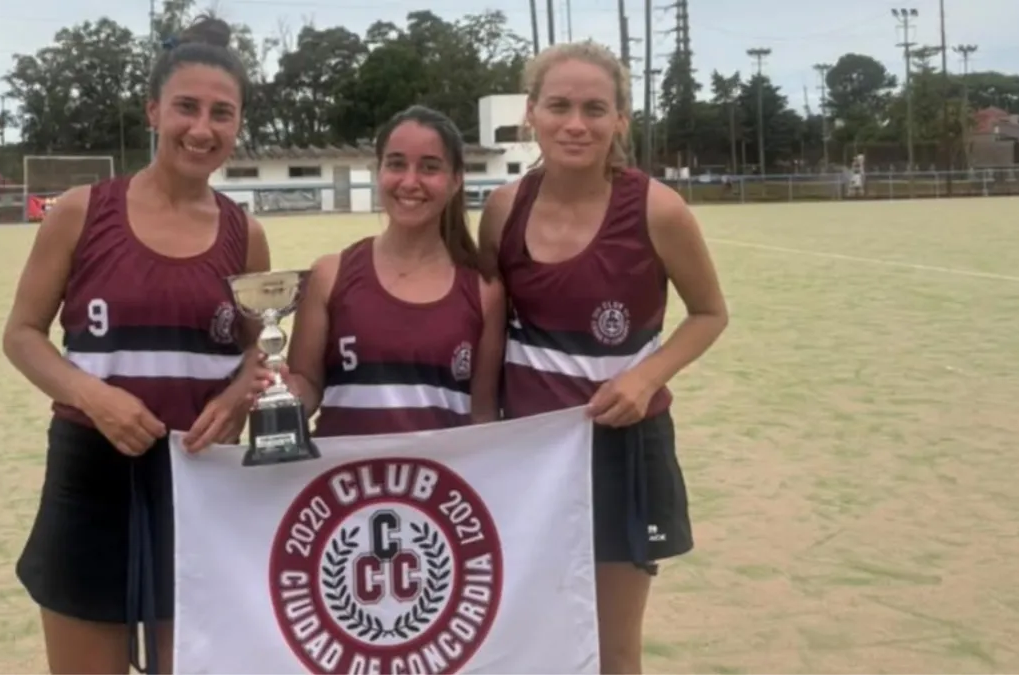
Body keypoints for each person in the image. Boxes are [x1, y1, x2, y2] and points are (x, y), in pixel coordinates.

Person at [0, 15, 271, 675]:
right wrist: (93, 396)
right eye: (186, 107)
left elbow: (259, 355)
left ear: (237, 125)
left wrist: (240, 395)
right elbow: (22, 335)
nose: (202, 128)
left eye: (222, 114)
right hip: (89, 481)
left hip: (200, 483)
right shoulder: (80, 212)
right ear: (153, 110)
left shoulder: (246, 235)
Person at [477, 41, 729, 674]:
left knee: (614, 650)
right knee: (527, 633)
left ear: (621, 119)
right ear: (531, 113)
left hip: (624, 450)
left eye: (595, 108)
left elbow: (710, 313)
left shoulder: (656, 209)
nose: (575, 123)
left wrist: (646, 376)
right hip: (529, 454)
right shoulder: (504, 210)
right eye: (558, 105)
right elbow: (485, 324)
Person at [284, 105, 506, 436]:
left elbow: (482, 416)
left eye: (429, 168)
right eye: (396, 164)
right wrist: (279, 391)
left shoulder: (484, 292)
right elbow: (308, 387)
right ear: (379, 171)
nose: (410, 181)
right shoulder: (329, 275)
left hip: (436, 484)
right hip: (346, 483)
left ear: (456, 180)